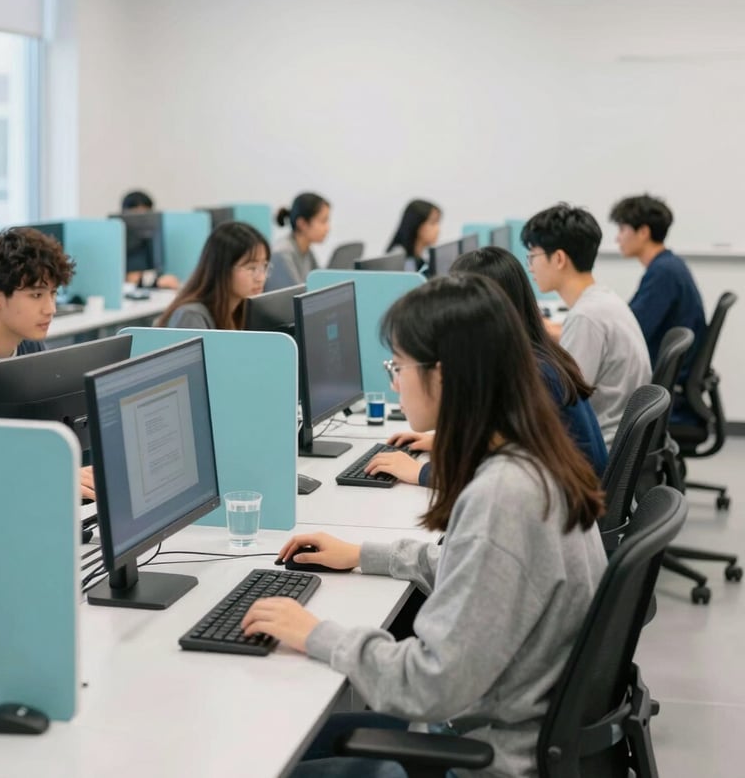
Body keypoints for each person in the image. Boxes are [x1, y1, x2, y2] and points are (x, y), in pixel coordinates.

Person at [242, 273, 607, 778]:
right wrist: (363, 555)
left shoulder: (503, 497)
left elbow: (430, 685)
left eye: (399, 366)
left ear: (444, 375)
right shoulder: (533, 460)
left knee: (260, 747)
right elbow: (482, 573)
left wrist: (316, 634)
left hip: (487, 755)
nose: (394, 381)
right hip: (510, 728)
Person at [370, 247, 608, 485]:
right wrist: (446, 443)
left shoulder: (532, 375)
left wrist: (421, 472)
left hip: (573, 491)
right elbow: (512, 443)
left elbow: (508, 473)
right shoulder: (535, 354)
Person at [0, 228, 95, 500]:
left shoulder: (30, 347)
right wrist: (50, 473)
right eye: (36, 295)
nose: (50, 308)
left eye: (53, 293)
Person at [521, 203, 651, 449]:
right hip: (616, 439)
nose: (530, 267)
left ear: (559, 259)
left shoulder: (586, 318)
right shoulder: (602, 299)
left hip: (599, 447)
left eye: (533, 257)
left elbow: (562, 403)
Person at [609, 194, 706, 415]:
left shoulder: (663, 273)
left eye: (622, 229)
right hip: (669, 379)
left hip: (661, 388)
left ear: (643, 232)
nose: (617, 238)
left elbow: (632, 332)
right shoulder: (668, 266)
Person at [155, 222, 270, 330]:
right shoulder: (192, 316)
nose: (261, 278)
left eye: (264, 266)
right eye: (251, 268)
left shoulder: (242, 311)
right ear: (222, 268)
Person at [120, 188, 180, 289]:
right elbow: (131, 277)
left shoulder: (154, 239)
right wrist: (157, 282)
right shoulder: (121, 241)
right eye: (136, 214)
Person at [268, 192, 330, 287]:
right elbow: (296, 293)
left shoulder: (306, 250)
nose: (327, 228)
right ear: (302, 224)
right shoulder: (282, 254)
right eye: (323, 221)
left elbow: (319, 283)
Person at [386, 199, 442, 272]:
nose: (438, 229)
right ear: (417, 224)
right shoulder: (400, 260)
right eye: (433, 223)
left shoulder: (424, 256)